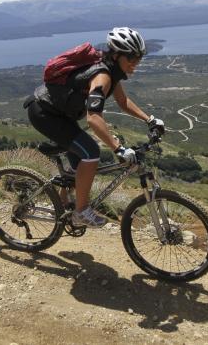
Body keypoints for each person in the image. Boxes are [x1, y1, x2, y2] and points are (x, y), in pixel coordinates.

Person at [27, 27, 164, 227]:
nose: (135, 64)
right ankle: (81, 212)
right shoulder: (103, 77)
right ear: (117, 55)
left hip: (60, 115)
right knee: (91, 152)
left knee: (79, 166)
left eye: (138, 59)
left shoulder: (112, 71)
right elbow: (93, 118)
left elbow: (122, 101)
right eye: (131, 59)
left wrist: (149, 119)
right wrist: (118, 148)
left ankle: (63, 206)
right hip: (44, 113)